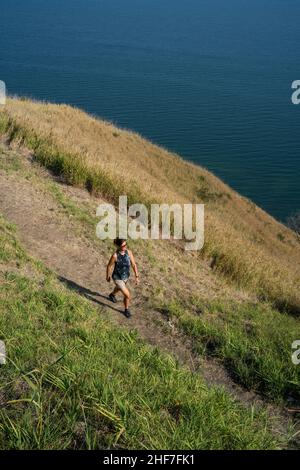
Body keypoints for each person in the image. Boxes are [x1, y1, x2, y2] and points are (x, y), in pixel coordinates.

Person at [106, 238, 139, 318]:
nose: (125, 246)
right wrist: (108, 276)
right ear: (118, 246)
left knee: (119, 288)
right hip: (117, 278)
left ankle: (112, 295)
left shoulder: (129, 252)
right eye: (123, 245)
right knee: (127, 295)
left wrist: (137, 276)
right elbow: (109, 266)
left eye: (126, 244)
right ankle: (126, 309)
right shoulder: (115, 255)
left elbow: (134, 265)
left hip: (126, 277)